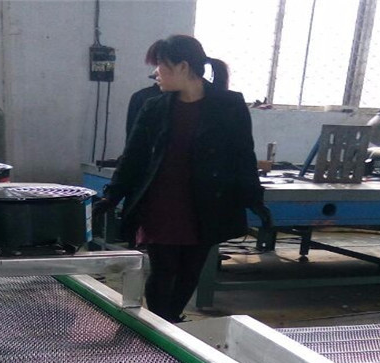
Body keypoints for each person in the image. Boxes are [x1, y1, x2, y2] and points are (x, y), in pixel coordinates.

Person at [94, 34, 271, 323]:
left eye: (161, 66)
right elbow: (133, 157)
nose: (156, 73)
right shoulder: (153, 106)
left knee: (190, 270)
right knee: (163, 270)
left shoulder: (229, 105)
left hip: (205, 204)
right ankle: (159, 326)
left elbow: (243, 155)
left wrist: (255, 200)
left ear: (183, 67)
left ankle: (171, 321)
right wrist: (111, 196)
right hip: (160, 205)